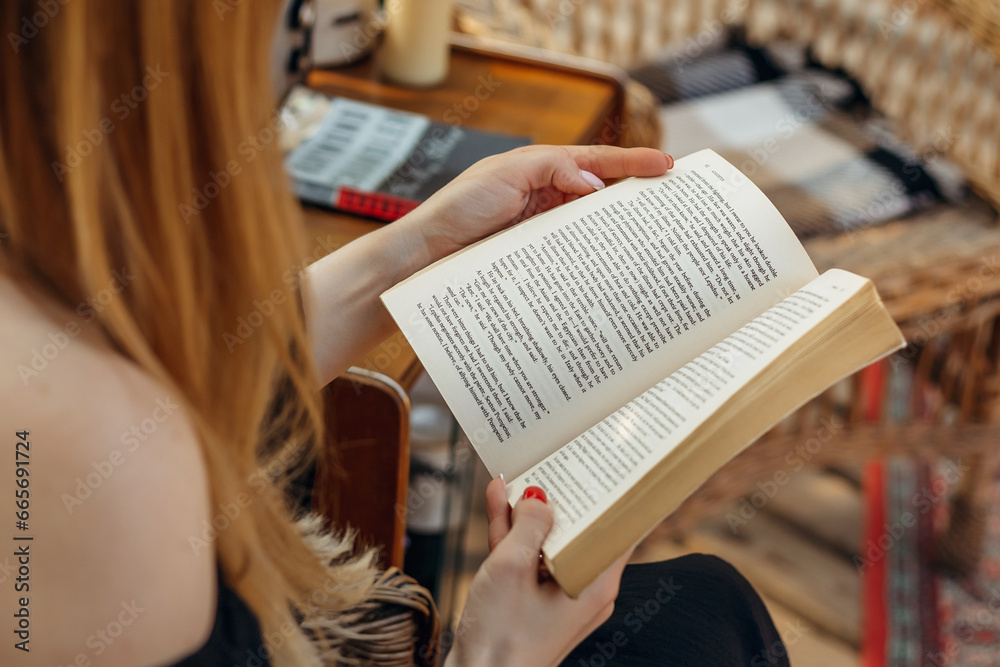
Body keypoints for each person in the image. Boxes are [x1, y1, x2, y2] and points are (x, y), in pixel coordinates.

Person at [0, 2, 789, 665]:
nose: (297, 72)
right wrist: (495, 653)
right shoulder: (81, 458)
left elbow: (189, 381)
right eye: (295, 29)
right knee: (702, 620)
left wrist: (419, 246)